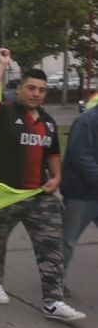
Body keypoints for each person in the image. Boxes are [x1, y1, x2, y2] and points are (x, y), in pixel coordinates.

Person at [0, 48, 85, 321]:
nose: (37, 93)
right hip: (4, 195)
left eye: (42, 89)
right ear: (20, 88)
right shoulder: (3, 112)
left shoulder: (48, 122)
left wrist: (57, 178)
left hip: (39, 195)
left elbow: (52, 154)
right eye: (31, 88)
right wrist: (1, 65)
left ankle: (53, 301)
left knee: (51, 244)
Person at [59, 103, 98, 289]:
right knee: (67, 239)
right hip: (80, 193)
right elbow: (80, 156)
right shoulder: (87, 120)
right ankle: (55, 281)